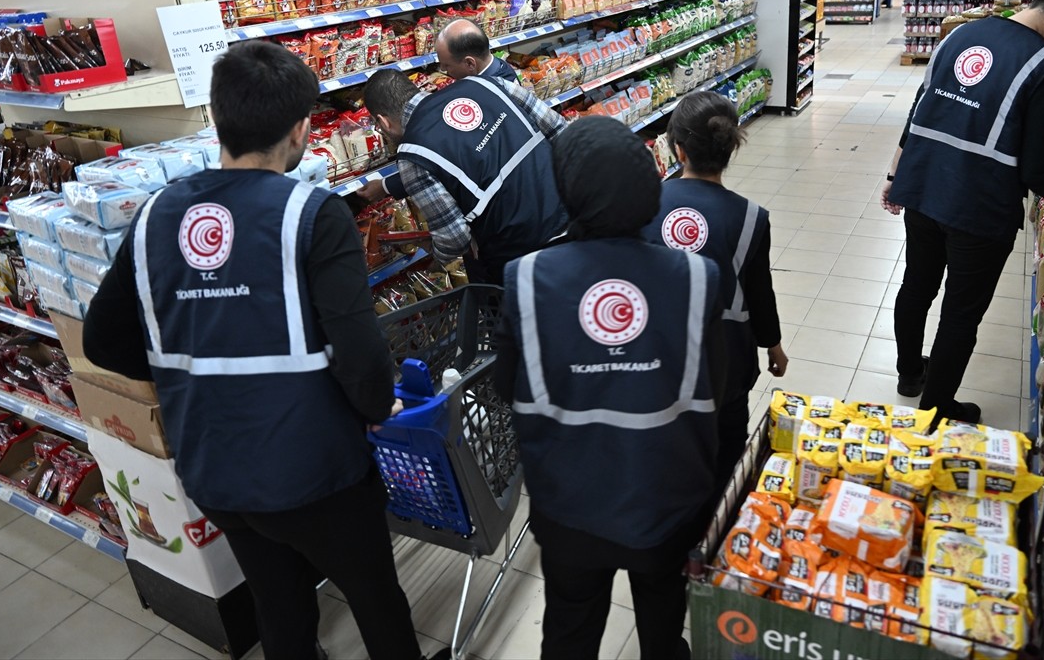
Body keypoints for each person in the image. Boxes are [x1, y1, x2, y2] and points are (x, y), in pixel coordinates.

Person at [83, 41, 439, 660]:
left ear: (219, 119)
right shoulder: (312, 214)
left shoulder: (155, 214)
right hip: (314, 466)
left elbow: (101, 341)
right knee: (375, 598)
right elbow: (358, 350)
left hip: (214, 465)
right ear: (301, 129)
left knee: (279, 606)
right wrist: (376, 405)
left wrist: (186, 375)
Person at [496, 115, 724, 660]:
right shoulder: (699, 277)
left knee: (570, 628)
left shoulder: (525, 277)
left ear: (567, 189)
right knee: (663, 614)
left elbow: (507, 385)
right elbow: (714, 380)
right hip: (668, 497)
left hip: (569, 501)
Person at [881, 0, 1044, 429]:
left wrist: (895, 173)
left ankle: (909, 374)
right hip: (980, 205)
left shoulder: (960, 34)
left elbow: (920, 109)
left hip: (923, 183)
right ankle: (936, 411)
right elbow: (1036, 167)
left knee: (917, 285)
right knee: (960, 313)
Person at [642, 92, 787, 490]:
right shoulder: (752, 217)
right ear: (730, 148)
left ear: (677, 149)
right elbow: (759, 291)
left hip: (659, 359)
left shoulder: (644, 203)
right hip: (726, 364)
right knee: (726, 457)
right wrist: (773, 345)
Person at [360, 69, 568, 284]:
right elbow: (561, 131)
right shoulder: (487, 84)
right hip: (573, 216)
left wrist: (437, 255)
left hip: (522, 257)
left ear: (384, 121)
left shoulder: (412, 153)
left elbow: (454, 238)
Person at [435, 18, 518, 84]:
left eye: (447, 65)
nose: (442, 69)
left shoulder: (495, 91)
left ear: (470, 63)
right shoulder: (498, 65)